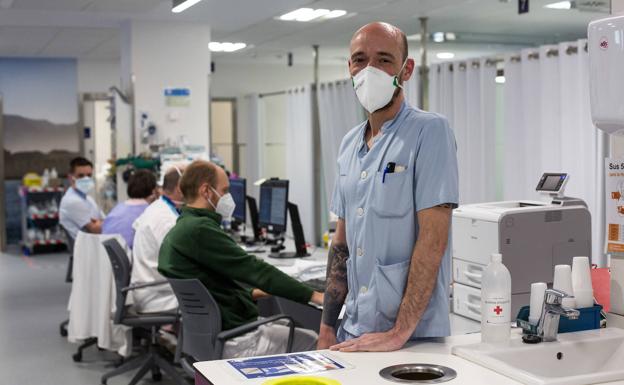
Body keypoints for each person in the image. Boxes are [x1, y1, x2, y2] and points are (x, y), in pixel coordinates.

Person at [318, 22, 459, 353]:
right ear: (350, 69)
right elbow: (342, 241)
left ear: (405, 69)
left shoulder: (430, 132)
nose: (370, 70)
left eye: (383, 60)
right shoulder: (349, 144)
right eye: (360, 60)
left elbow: (433, 240)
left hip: (412, 339)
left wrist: (399, 332)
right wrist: (327, 326)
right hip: (353, 329)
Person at [158, 160, 324, 358]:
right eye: (225, 190)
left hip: (215, 335)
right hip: (237, 340)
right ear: (206, 191)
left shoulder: (184, 226)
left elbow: (213, 287)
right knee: (317, 341)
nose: (228, 197)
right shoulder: (199, 230)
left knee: (287, 325)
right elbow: (256, 269)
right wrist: (315, 296)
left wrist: (252, 292)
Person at [131, 165, 185, 313]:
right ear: (180, 187)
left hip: (150, 289)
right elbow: (184, 266)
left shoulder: (159, 207)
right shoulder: (165, 220)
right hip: (158, 296)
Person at [102, 169, 157, 249]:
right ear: (153, 192)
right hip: (129, 258)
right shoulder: (148, 211)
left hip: (107, 257)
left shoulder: (118, 208)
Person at [59, 157, 104, 240]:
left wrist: (100, 222)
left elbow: (103, 220)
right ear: (71, 178)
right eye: (81, 176)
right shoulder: (72, 201)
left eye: (89, 175)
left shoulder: (88, 198)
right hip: (86, 248)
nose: (86, 179)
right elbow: (96, 229)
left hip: (93, 243)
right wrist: (100, 223)